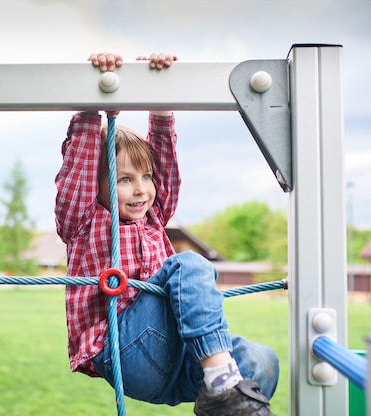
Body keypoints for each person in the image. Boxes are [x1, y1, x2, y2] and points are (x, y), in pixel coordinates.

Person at [55, 52, 279, 416]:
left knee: (264, 361)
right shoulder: (83, 220)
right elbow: (80, 167)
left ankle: (219, 389)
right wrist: (93, 101)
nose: (142, 189)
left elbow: (166, 169)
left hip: (180, 362)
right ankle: (222, 379)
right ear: (95, 185)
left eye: (145, 178)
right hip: (122, 347)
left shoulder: (155, 219)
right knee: (188, 265)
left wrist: (160, 102)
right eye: (125, 179)